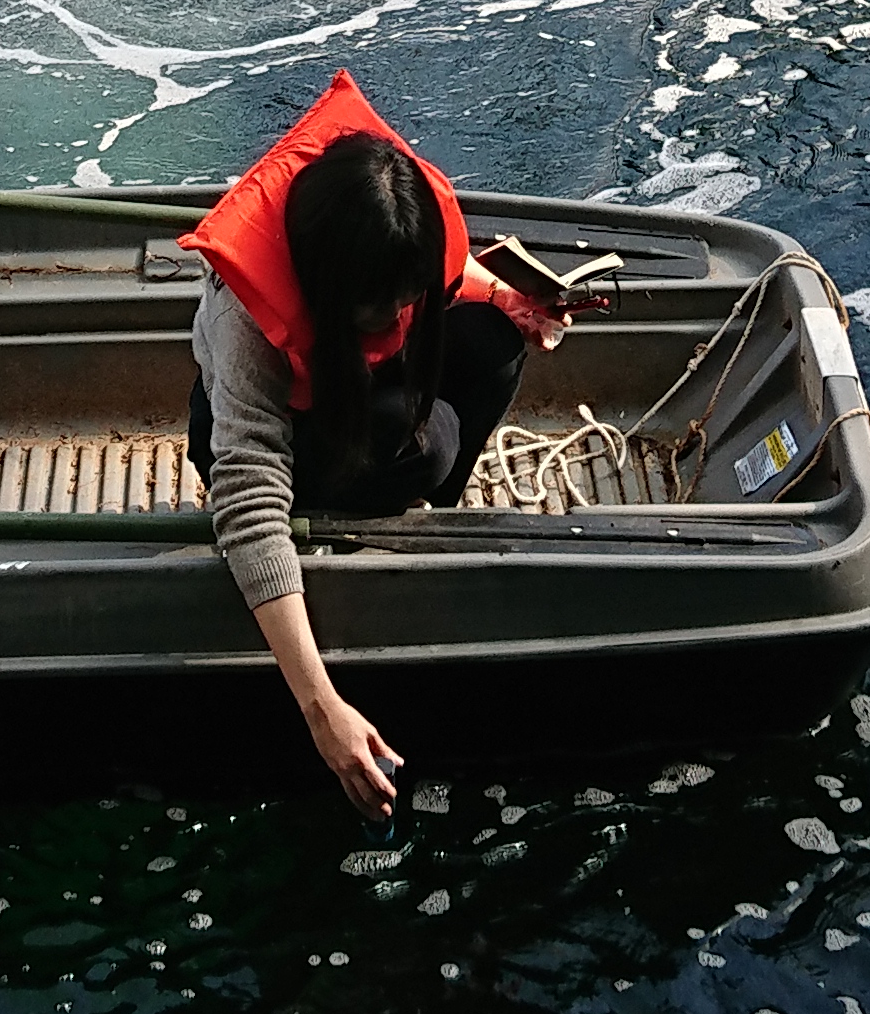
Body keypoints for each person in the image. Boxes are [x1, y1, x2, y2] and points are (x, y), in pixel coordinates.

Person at [179, 70, 577, 815]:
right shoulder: (248, 315)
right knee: (432, 443)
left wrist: (515, 302)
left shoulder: (398, 215)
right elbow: (247, 498)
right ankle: (380, 505)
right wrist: (322, 709)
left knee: (492, 345)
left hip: (353, 379)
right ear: (332, 287)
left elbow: (452, 278)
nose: (399, 311)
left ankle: (421, 509)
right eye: (381, 304)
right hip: (267, 435)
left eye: (406, 295)